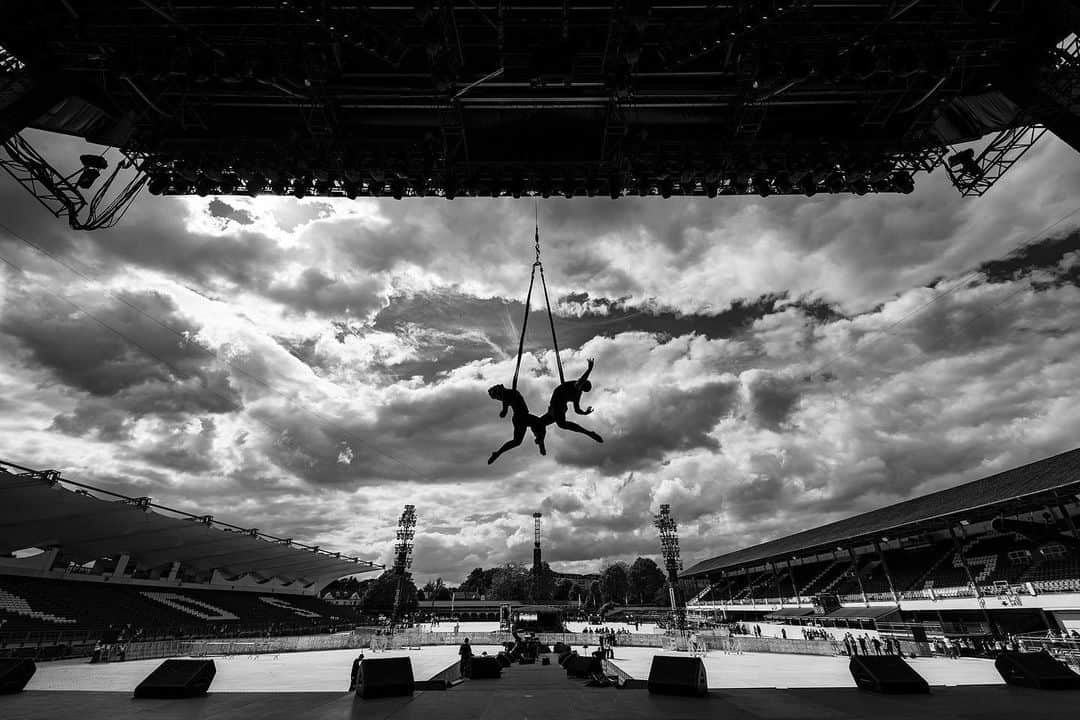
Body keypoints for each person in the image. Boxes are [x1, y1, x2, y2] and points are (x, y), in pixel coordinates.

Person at [539, 359, 603, 443]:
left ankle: (588, 433)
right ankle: (540, 438)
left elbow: (577, 409)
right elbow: (577, 409)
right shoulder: (577, 389)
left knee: (557, 424)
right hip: (557, 406)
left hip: (558, 406)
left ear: (583, 388)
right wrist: (584, 412)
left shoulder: (577, 389)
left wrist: (589, 370)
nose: (580, 382)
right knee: (542, 423)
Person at [487, 384, 547, 463]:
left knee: (517, 441)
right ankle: (540, 441)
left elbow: (504, 413)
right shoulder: (507, 396)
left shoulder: (508, 396)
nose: (499, 399)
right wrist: (504, 410)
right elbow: (504, 413)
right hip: (521, 417)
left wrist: (503, 412)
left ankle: (497, 453)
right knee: (540, 424)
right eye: (498, 398)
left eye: (498, 398)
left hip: (519, 418)